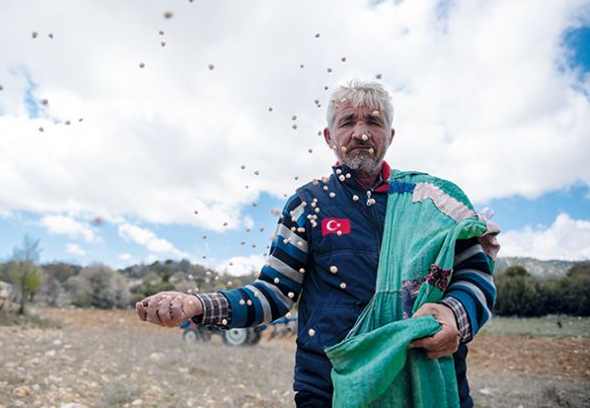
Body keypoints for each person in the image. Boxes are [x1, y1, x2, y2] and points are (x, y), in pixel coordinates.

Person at [136, 80, 499, 407]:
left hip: (426, 379)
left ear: (390, 134)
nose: (360, 133)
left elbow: (474, 273)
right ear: (329, 136)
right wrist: (196, 303)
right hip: (329, 386)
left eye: (373, 122)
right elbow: (272, 294)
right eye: (347, 122)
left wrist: (455, 314)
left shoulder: (430, 202)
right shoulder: (308, 204)